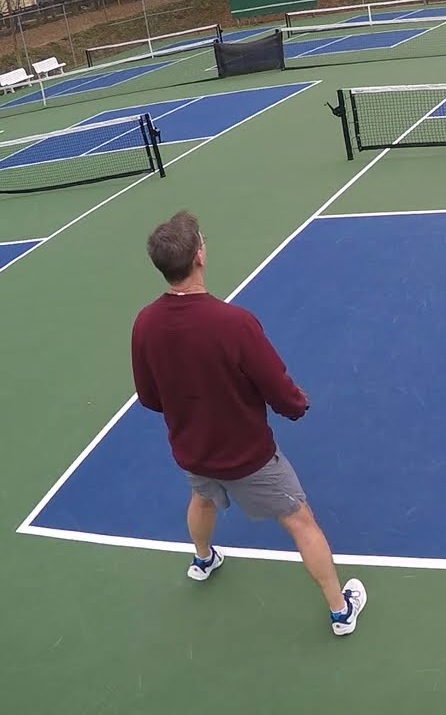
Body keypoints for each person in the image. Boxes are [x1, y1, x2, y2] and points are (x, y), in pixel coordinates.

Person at [130, 210, 368, 637]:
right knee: (300, 519)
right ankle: (340, 609)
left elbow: (149, 397)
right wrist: (297, 406)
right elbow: (278, 387)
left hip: (192, 451)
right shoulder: (234, 323)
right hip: (249, 457)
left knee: (202, 499)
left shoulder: (144, 323)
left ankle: (203, 559)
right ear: (199, 256)